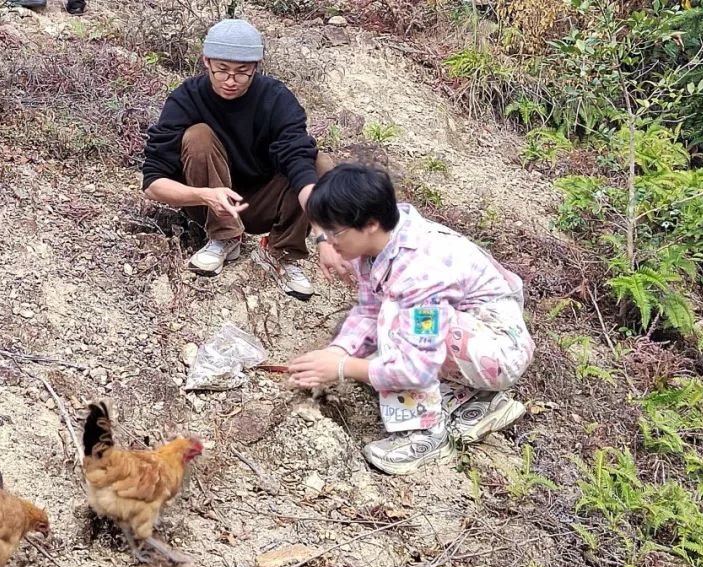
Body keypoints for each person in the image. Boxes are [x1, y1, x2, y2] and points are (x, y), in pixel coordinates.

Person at [287, 163, 535, 476]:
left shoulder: (419, 271)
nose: (330, 243)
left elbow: (415, 365)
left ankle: (427, 434)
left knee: (394, 326)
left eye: (335, 232)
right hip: (471, 334)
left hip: (498, 348)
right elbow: (367, 310)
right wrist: (338, 352)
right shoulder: (379, 246)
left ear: (371, 223)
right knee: (370, 335)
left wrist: (340, 368)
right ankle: (478, 401)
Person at [141, 18, 333, 301]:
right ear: (206, 62)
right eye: (222, 71)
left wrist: (323, 232)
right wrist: (205, 195)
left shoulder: (276, 98)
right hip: (206, 200)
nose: (230, 81)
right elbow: (152, 183)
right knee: (197, 135)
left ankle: (280, 252)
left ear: (256, 67)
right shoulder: (186, 98)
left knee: (319, 163)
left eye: (242, 73)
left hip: (260, 203)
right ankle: (223, 238)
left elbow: (297, 156)